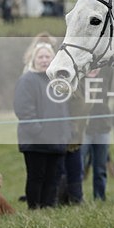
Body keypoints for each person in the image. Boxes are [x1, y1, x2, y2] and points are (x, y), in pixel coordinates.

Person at [13, 42, 70, 209]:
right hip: (35, 142)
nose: (44, 60)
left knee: (54, 178)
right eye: (41, 57)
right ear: (33, 59)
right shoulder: (27, 80)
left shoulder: (58, 81)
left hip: (57, 141)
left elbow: (63, 109)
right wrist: (39, 132)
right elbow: (24, 110)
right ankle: (34, 210)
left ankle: (48, 209)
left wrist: (65, 134)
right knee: (37, 177)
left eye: (48, 56)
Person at [81, 66, 114, 201]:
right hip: (84, 130)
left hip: (102, 128)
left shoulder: (106, 76)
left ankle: (100, 197)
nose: (94, 69)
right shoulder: (79, 82)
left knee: (100, 167)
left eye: (97, 65)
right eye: (90, 66)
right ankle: (77, 197)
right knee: (79, 165)